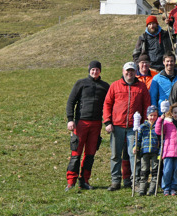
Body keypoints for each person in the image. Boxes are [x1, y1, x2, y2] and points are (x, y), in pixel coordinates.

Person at [102, 62, 151, 191]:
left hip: (134, 127)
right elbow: (107, 104)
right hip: (117, 126)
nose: (130, 73)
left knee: (133, 154)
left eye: (132, 71)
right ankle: (115, 181)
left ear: (136, 72)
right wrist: (107, 122)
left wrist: (145, 122)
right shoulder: (115, 86)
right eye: (127, 71)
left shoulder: (141, 87)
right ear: (123, 71)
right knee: (115, 154)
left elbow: (147, 105)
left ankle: (135, 182)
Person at [65, 60, 109, 191]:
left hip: (96, 124)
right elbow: (71, 101)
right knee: (76, 153)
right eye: (92, 69)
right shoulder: (81, 83)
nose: (94, 72)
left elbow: (109, 104)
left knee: (90, 154)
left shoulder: (105, 86)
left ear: (100, 71)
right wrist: (70, 119)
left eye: (97, 69)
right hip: (81, 123)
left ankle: (84, 180)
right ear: (89, 70)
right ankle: (71, 181)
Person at [156, 103, 177, 195]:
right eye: (175, 112)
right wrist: (160, 120)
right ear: (171, 113)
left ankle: (174, 187)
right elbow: (158, 131)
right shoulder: (166, 123)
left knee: (176, 172)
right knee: (167, 171)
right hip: (168, 152)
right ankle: (166, 187)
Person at [132, 105, 161, 195]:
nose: (152, 117)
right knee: (144, 171)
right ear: (147, 116)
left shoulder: (159, 127)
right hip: (144, 152)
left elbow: (162, 140)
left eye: (155, 115)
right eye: (151, 115)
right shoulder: (142, 127)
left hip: (155, 152)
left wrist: (160, 152)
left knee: (155, 171)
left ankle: (152, 189)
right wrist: (135, 147)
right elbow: (138, 139)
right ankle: (142, 189)